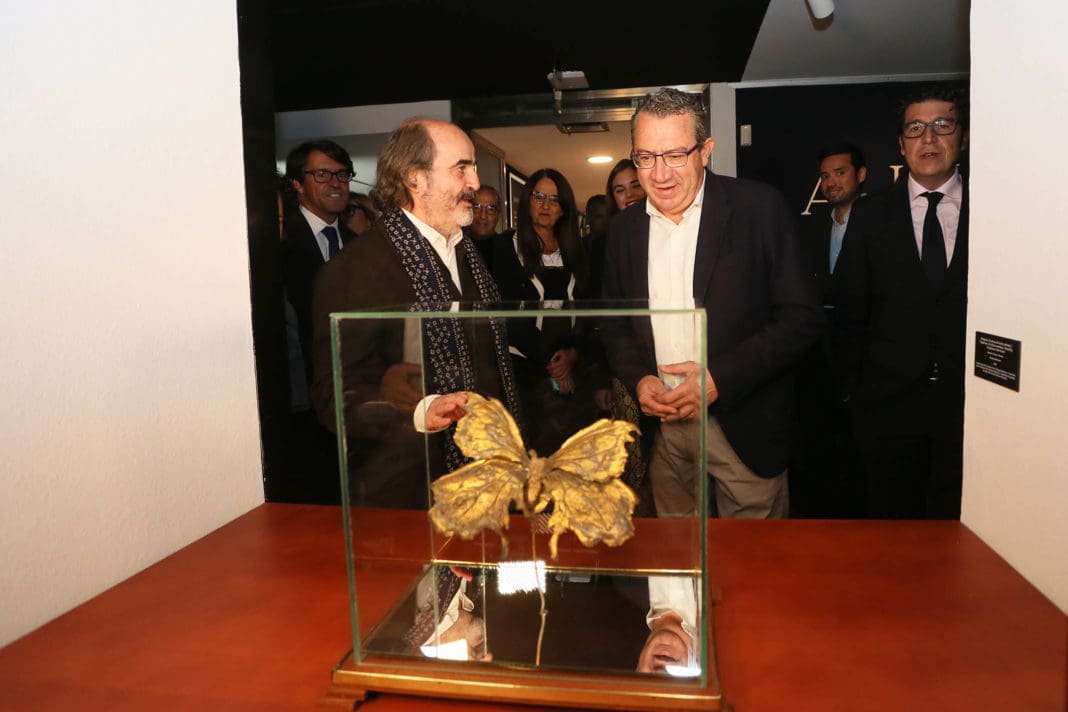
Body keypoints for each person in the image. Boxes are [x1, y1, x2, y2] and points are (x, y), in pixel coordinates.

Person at [600, 87, 824, 519]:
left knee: (753, 558)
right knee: (677, 554)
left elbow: (802, 318)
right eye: (645, 157)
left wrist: (720, 378)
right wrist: (640, 379)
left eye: (675, 155)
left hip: (744, 425)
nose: (659, 174)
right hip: (664, 431)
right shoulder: (624, 230)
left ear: (705, 151)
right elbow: (614, 324)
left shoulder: (760, 208)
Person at [309, 118, 522, 507]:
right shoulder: (354, 270)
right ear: (415, 178)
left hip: (491, 481)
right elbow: (333, 397)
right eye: (461, 168)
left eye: (473, 167)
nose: (475, 182)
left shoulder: (469, 255)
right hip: (408, 493)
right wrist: (420, 410)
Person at [833, 86, 969, 520]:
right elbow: (849, 312)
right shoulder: (870, 215)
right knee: (892, 537)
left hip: (970, 412)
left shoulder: (992, 212)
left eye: (942, 125)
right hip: (886, 413)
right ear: (901, 143)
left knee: (963, 534)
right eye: (915, 128)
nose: (928, 138)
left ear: (962, 137)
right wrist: (854, 398)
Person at [491, 168, 605, 454]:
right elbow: (504, 314)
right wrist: (551, 364)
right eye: (538, 196)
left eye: (554, 200)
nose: (545, 205)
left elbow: (589, 312)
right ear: (527, 201)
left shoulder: (579, 250)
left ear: (564, 208)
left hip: (575, 370)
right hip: (522, 372)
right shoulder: (503, 248)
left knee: (573, 455)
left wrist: (572, 355)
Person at [792, 143, 869, 517]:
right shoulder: (813, 226)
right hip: (818, 356)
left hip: (863, 357)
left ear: (861, 175)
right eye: (825, 176)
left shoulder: (878, 224)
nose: (831, 182)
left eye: (840, 173)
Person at [282, 140, 358, 394]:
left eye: (342, 174)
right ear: (297, 183)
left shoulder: (360, 246)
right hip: (299, 385)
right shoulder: (280, 243)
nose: (335, 183)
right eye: (322, 174)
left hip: (351, 383)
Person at [464, 185, 504, 269]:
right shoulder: (455, 246)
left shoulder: (508, 250)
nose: (483, 216)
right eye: (477, 207)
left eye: (490, 209)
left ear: (498, 214)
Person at [583, 193, 610, 297]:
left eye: (609, 217)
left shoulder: (616, 248)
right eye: (599, 217)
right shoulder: (578, 246)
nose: (605, 222)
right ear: (588, 217)